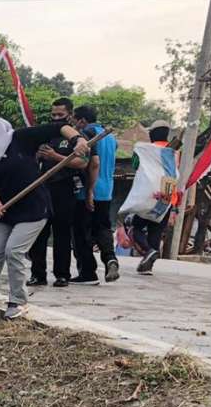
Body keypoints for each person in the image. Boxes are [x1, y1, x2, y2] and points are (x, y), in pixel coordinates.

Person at [0, 114, 90, 321]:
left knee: (14, 252)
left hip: (33, 208)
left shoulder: (20, 139)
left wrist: (78, 140)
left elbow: (59, 127)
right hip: (6, 210)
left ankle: (18, 302)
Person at [27, 98, 88, 288]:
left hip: (64, 188)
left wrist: (55, 156)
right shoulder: (45, 134)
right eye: (53, 115)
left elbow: (83, 163)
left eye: (60, 115)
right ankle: (38, 274)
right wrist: (36, 155)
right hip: (42, 188)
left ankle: (62, 275)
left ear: (70, 115)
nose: (55, 118)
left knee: (62, 234)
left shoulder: (77, 138)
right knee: (39, 233)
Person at [71, 105, 120, 283]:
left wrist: (89, 190)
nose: (75, 126)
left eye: (75, 121)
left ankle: (87, 272)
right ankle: (110, 258)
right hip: (106, 191)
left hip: (87, 191)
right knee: (103, 228)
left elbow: (94, 163)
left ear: (82, 120)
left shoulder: (86, 135)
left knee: (81, 232)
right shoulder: (111, 138)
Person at [129, 120, 177, 275]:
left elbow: (135, 165)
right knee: (155, 231)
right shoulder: (175, 151)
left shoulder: (144, 149)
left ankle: (148, 251)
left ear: (151, 134)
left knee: (135, 226)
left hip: (148, 195)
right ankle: (148, 266)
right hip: (167, 196)